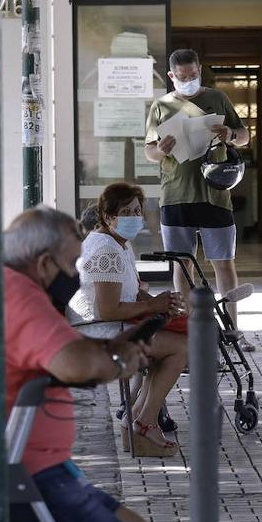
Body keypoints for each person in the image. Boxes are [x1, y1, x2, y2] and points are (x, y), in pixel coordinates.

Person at [3, 207, 160, 522]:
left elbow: (66, 348)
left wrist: (110, 346)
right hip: (25, 474)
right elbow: (72, 363)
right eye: (72, 265)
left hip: (40, 465)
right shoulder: (21, 297)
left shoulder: (14, 289)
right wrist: (116, 362)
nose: (75, 275)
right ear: (44, 264)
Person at [69, 183, 190, 458]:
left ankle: (136, 418)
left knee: (177, 340)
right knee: (180, 347)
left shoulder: (115, 243)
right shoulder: (107, 252)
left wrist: (158, 301)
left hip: (109, 327)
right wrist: (152, 304)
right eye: (126, 211)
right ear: (108, 216)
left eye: (137, 211)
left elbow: (126, 292)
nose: (134, 217)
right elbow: (108, 310)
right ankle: (144, 422)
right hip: (100, 332)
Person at [143, 48, 252, 347]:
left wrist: (230, 133)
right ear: (171, 76)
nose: (188, 81)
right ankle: (189, 328)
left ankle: (232, 328)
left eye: (193, 75)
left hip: (214, 193)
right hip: (176, 194)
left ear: (200, 70)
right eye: (182, 77)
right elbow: (149, 151)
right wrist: (161, 150)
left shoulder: (217, 98)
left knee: (223, 262)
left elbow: (244, 136)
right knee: (182, 264)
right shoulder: (161, 106)